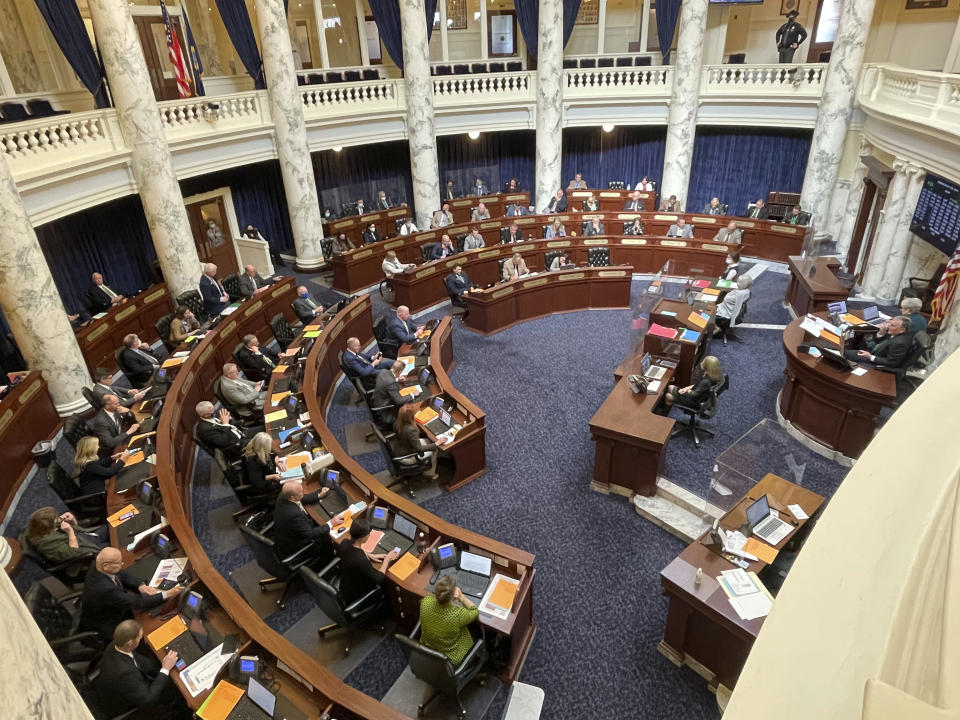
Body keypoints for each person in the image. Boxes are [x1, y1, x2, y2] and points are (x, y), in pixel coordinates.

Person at [93, 619, 190, 720]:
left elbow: (137, 659)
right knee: (176, 689)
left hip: (125, 683)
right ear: (130, 643)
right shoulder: (125, 674)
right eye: (139, 638)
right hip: (122, 703)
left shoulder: (116, 645)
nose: (141, 639)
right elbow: (148, 700)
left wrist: (161, 667)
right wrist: (165, 669)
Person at [80, 547, 181, 640]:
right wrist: (167, 594)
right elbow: (136, 602)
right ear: (105, 566)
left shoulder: (98, 566)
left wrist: (140, 586)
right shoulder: (104, 588)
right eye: (119, 563)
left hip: (107, 607)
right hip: (110, 622)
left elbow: (122, 573)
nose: (121, 565)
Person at [25, 507, 107, 577]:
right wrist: (70, 531)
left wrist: (72, 521)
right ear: (48, 528)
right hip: (87, 555)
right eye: (56, 521)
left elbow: (78, 532)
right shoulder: (47, 544)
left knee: (115, 523)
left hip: (89, 538)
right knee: (116, 546)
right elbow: (74, 552)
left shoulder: (46, 529)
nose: (59, 520)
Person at [419, 574, 479, 666]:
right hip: (451, 657)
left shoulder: (425, 602)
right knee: (475, 631)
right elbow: (474, 611)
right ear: (452, 596)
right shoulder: (457, 614)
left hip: (429, 647)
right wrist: (461, 597)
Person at [339, 518, 398, 606]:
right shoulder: (361, 560)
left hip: (345, 586)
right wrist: (387, 559)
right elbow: (379, 579)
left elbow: (354, 550)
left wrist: (370, 555)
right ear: (364, 538)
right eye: (369, 534)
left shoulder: (344, 542)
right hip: (356, 594)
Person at [272, 481, 335, 562]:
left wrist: (319, 495)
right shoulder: (294, 514)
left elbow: (301, 498)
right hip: (296, 545)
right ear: (292, 498)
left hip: (285, 535)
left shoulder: (283, 496)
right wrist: (331, 523)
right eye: (301, 492)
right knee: (326, 537)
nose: (303, 493)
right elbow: (310, 534)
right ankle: (329, 560)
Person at [393, 404, 442, 479]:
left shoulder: (397, 423)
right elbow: (419, 449)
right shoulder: (411, 430)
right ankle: (429, 474)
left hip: (399, 449)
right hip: (408, 456)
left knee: (427, 441)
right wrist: (436, 443)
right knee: (434, 449)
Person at [846, 316, 914, 369]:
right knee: (850, 349)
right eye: (889, 324)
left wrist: (870, 356)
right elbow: (882, 341)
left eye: (893, 325)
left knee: (846, 354)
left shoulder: (900, 343)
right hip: (874, 352)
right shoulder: (896, 332)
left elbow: (892, 363)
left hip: (874, 360)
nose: (889, 326)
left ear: (902, 330)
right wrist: (881, 333)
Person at [372, 360, 415, 425]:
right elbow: (399, 401)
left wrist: (397, 379)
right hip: (385, 407)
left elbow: (387, 381)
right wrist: (412, 395)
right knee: (409, 411)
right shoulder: (391, 383)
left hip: (377, 400)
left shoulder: (383, 371)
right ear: (400, 371)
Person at [714, 275, 753, 344]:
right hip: (725, 307)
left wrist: (731, 323)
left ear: (744, 284)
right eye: (738, 281)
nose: (737, 283)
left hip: (726, 313)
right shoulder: (746, 290)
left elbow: (737, 309)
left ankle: (717, 328)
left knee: (707, 312)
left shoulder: (740, 295)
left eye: (739, 282)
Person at [242, 432, 283, 497]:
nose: (269, 449)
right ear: (261, 448)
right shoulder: (252, 461)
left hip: (268, 471)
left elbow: (272, 452)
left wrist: (278, 461)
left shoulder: (256, 445)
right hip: (262, 482)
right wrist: (273, 476)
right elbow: (257, 481)